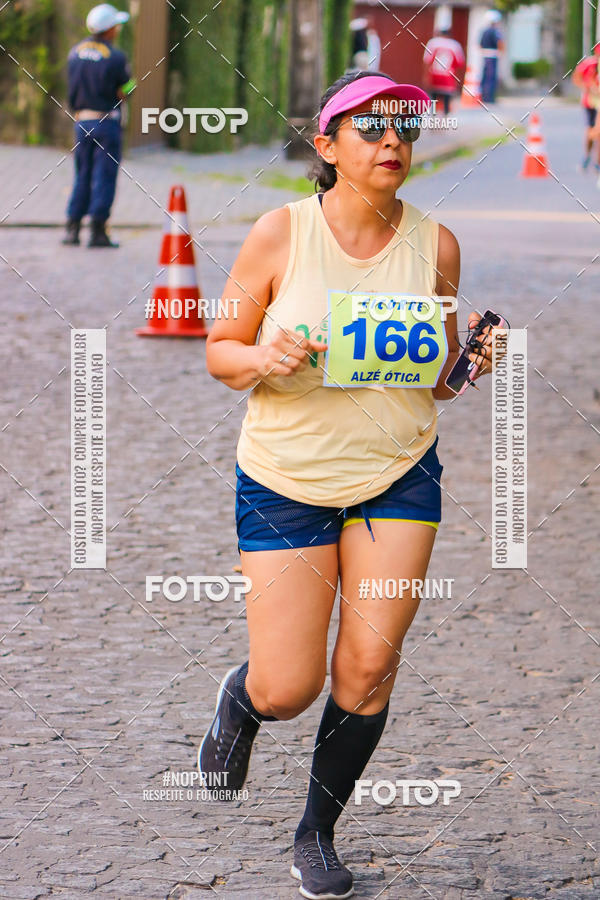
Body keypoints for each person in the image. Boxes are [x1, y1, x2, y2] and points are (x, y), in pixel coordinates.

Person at [199, 71, 497, 899]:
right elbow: (221, 350)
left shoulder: (437, 245)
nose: (393, 140)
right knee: (289, 686)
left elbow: (435, 378)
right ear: (326, 145)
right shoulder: (279, 234)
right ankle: (243, 701)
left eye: (405, 127)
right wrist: (265, 356)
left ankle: (316, 835)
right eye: (371, 128)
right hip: (286, 477)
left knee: (367, 668)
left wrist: (470, 362)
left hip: (399, 475)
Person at [62, 4, 134, 248]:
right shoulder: (116, 57)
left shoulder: (75, 52)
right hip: (106, 124)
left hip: (82, 122)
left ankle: (72, 229)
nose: (118, 30)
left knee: (82, 174)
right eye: (116, 26)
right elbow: (127, 89)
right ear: (109, 29)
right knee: (105, 176)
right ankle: (98, 231)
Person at [423, 27, 466, 116]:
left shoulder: (433, 43)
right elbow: (459, 63)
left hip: (434, 74)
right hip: (448, 76)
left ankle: (433, 115)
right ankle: (446, 115)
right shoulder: (455, 45)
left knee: (434, 96)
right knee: (447, 97)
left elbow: (427, 60)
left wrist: (426, 76)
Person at [571, 42, 600, 174]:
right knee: (591, 131)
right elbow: (576, 78)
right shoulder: (589, 64)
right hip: (589, 103)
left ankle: (597, 162)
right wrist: (587, 88)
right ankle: (587, 156)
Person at [479, 10, 504, 104]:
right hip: (493, 56)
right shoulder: (496, 31)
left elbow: (480, 44)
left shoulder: (484, 31)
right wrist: (501, 52)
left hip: (485, 55)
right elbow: (500, 43)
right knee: (491, 78)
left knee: (485, 77)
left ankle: (483, 97)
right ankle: (490, 98)